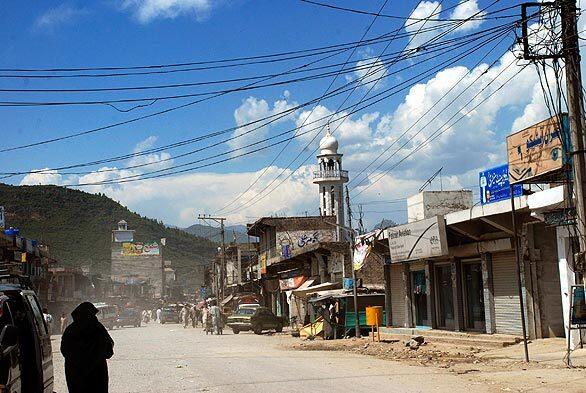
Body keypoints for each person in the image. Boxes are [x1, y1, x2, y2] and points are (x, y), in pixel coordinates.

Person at [60, 302, 114, 393]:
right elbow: (109, 350)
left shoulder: (71, 329)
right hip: (97, 373)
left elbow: (64, 350)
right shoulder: (98, 328)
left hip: (75, 373)